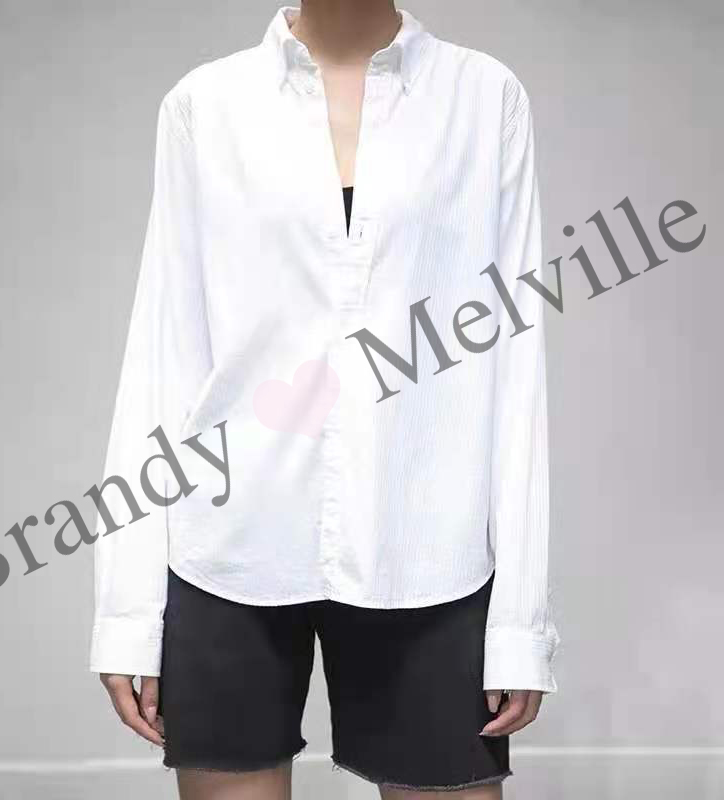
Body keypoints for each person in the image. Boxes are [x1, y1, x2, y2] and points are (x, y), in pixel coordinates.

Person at [90, 3, 560, 798]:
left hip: (427, 549)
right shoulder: (206, 106)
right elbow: (164, 349)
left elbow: (514, 366)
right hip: (228, 545)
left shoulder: (484, 98)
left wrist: (520, 621)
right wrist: (128, 611)